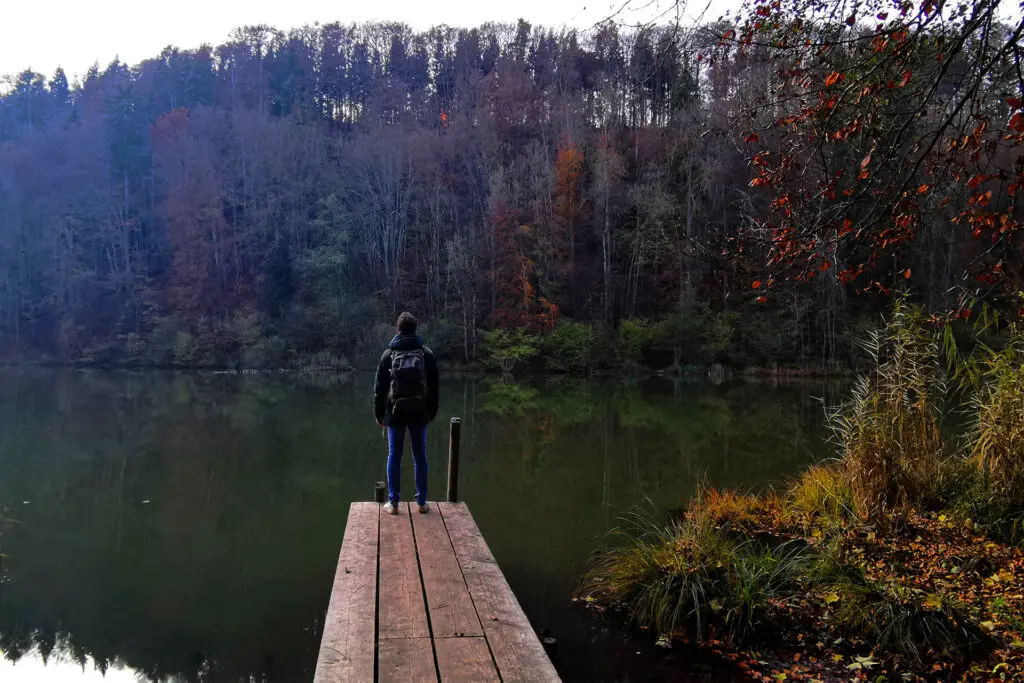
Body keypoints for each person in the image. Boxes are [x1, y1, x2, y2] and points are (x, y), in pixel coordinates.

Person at [373, 312, 439, 514]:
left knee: (395, 455)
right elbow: (434, 387)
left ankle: (393, 504)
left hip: (395, 412)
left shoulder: (388, 355)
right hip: (419, 412)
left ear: (398, 330)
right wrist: (431, 412)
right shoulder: (426, 354)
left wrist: (379, 414)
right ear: (415, 329)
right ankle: (421, 502)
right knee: (420, 456)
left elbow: (379, 389)